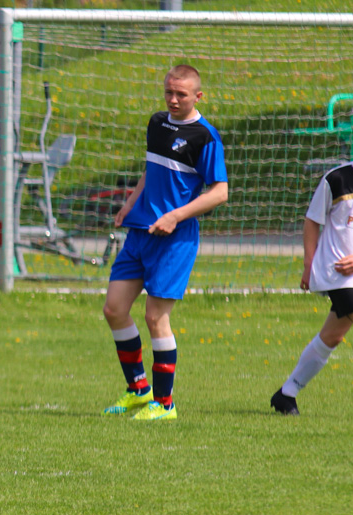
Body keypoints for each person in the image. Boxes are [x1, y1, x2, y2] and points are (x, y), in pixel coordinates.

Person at [102, 65, 228, 421]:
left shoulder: (206, 137)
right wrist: (130, 202)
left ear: (197, 96)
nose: (173, 100)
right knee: (114, 309)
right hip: (140, 232)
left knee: (156, 317)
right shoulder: (157, 123)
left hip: (174, 239)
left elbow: (220, 193)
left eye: (182, 95)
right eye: (169, 92)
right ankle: (138, 391)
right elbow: (152, 168)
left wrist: (175, 216)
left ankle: (165, 404)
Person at [271, 110, 353, 419]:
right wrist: (309, 264)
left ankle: (286, 394)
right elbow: (312, 221)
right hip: (335, 271)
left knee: (332, 336)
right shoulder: (337, 178)